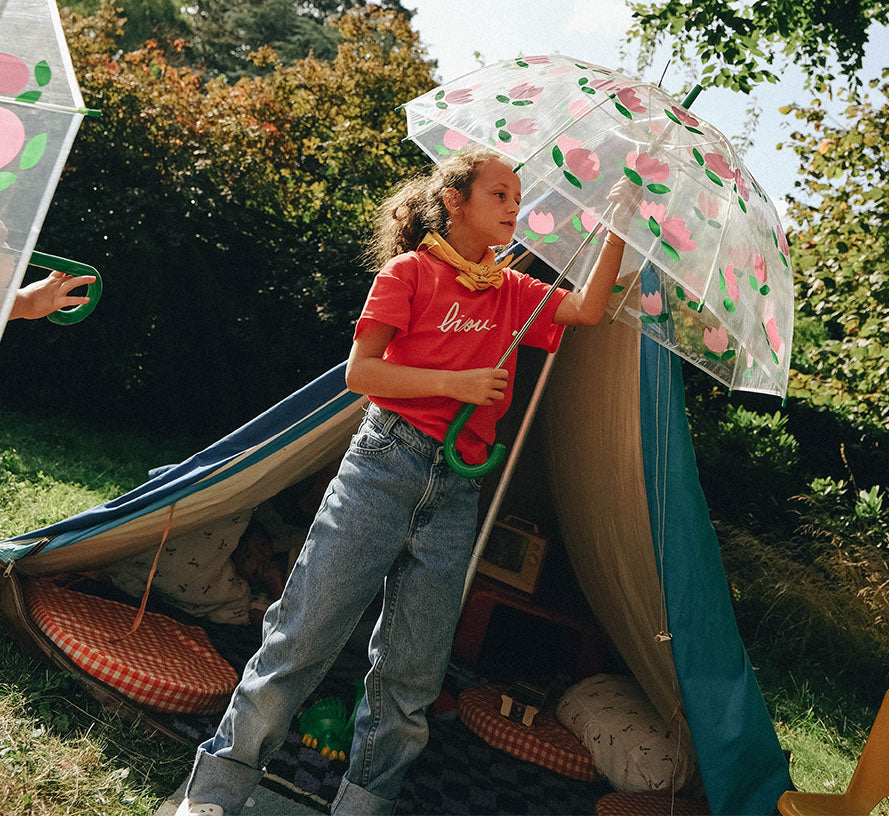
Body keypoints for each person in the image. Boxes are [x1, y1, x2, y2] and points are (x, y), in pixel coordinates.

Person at [176, 148, 631, 816]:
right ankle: (216, 792)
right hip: (384, 465)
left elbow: (589, 310)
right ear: (455, 202)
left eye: (518, 196)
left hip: (457, 490)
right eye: (501, 194)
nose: (515, 207)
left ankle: (361, 806)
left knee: (412, 674)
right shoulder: (409, 274)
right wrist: (458, 384)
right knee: (302, 638)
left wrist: (618, 223)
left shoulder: (513, 291)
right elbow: (363, 373)